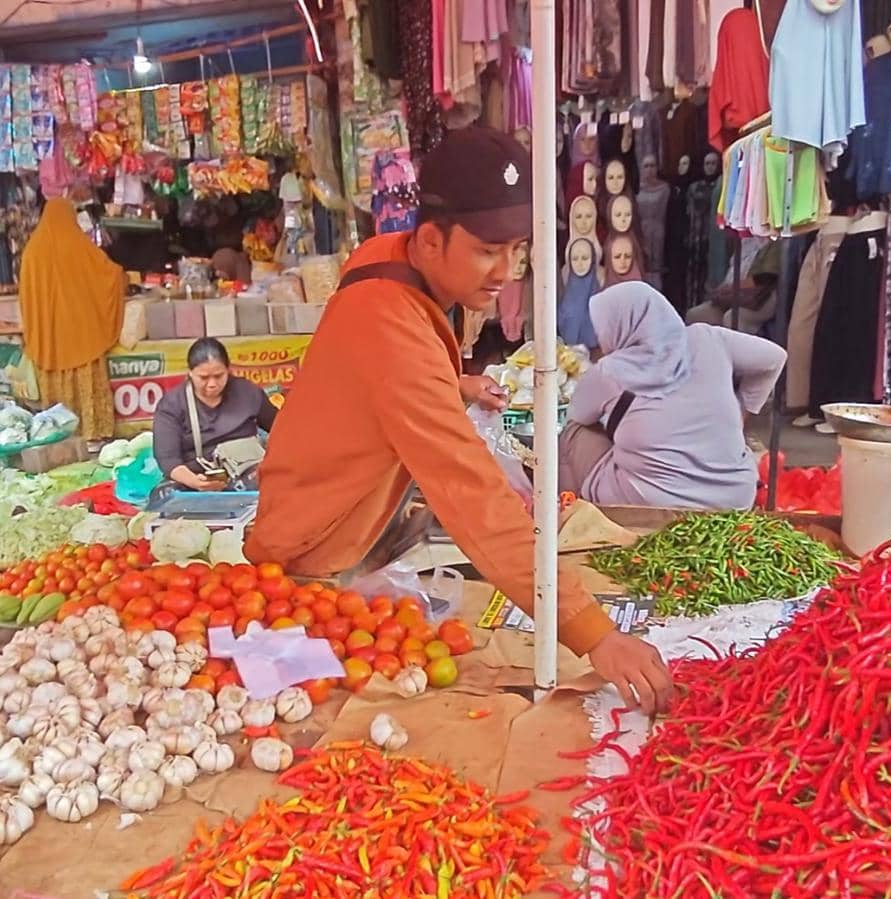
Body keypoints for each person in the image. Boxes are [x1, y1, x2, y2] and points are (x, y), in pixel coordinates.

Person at [244, 127, 673, 715]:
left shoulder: (387, 258)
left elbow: (383, 374)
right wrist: (594, 634)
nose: (505, 271)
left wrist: (455, 384)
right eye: (486, 250)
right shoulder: (390, 324)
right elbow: (475, 498)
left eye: (516, 249)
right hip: (313, 555)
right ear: (428, 242)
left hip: (336, 520)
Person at [560, 282, 787, 510]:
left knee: (572, 432)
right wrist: (743, 410)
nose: (600, 337)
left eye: (603, 328)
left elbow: (578, 414)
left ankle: (568, 519)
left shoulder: (609, 371)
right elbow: (774, 358)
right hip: (734, 499)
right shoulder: (708, 338)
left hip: (651, 504)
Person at [17, 198, 125, 440]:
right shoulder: (79, 246)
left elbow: (26, 297)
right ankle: (94, 433)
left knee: (55, 384)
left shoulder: (32, 251)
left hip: (50, 340)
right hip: (82, 334)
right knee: (86, 375)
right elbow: (110, 274)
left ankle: (59, 435)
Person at [152, 338, 277, 492]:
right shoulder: (172, 405)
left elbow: (280, 427)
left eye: (219, 376)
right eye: (203, 378)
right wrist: (195, 482)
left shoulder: (248, 392)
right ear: (190, 373)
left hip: (248, 471)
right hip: (197, 476)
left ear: (228, 370)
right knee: (164, 494)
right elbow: (168, 459)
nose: (212, 384)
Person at [686, 237, 781, 334]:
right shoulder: (746, 242)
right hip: (734, 295)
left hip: (762, 297)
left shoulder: (775, 244)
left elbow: (767, 277)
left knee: (732, 318)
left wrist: (735, 287)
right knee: (695, 315)